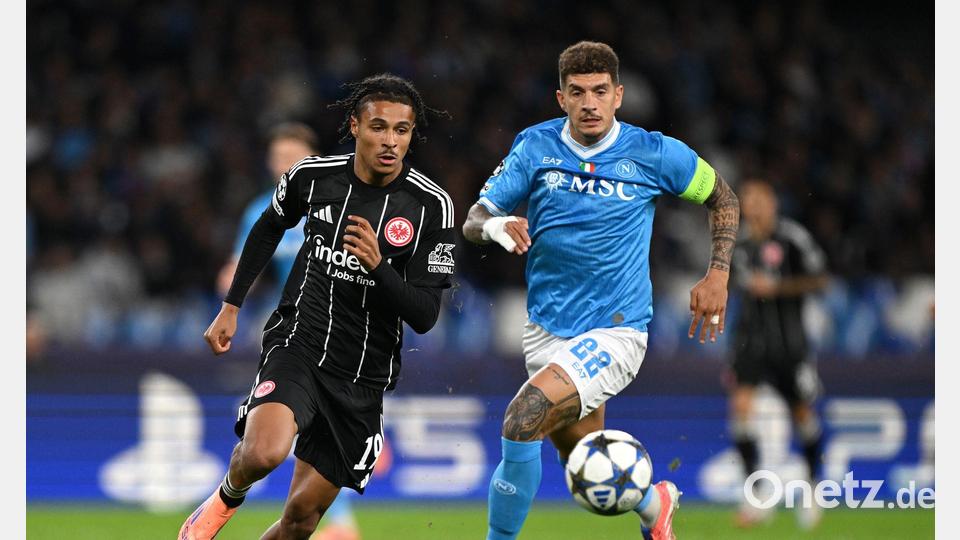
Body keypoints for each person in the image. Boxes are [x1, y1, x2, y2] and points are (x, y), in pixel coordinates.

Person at [462, 41, 740, 540]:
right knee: (588, 476)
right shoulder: (535, 147)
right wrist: (496, 227)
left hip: (616, 331)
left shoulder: (655, 153)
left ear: (618, 95)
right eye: (577, 92)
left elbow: (723, 198)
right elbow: (473, 219)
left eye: (599, 91)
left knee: (522, 417)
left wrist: (718, 272)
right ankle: (654, 505)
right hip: (546, 331)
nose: (589, 102)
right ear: (560, 98)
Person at [179, 73, 455, 540]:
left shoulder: (431, 206)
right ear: (355, 126)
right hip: (299, 343)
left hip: (363, 374)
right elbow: (268, 227)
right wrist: (232, 305)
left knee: (300, 520)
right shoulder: (313, 177)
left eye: (401, 130)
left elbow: (425, 315)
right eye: (379, 127)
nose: (390, 141)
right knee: (264, 453)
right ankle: (226, 496)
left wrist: (378, 267)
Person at [214, 122, 365, 540]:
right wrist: (231, 290)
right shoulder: (262, 210)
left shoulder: (337, 198)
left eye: (292, 158)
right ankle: (243, 483)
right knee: (280, 429)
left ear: (312, 161)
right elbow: (243, 259)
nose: (284, 165)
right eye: (278, 158)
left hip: (343, 333)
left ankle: (331, 517)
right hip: (289, 328)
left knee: (328, 428)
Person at [726, 178, 828, 529]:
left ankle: (813, 488)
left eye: (758, 199)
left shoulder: (792, 238)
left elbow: (820, 279)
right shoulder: (737, 247)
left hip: (790, 346)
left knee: (802, 415)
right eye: (747, 199)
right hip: (750, 345)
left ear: (772, 203)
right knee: (740, 410)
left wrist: (779, 287)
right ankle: (756, 494)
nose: (752, 205)